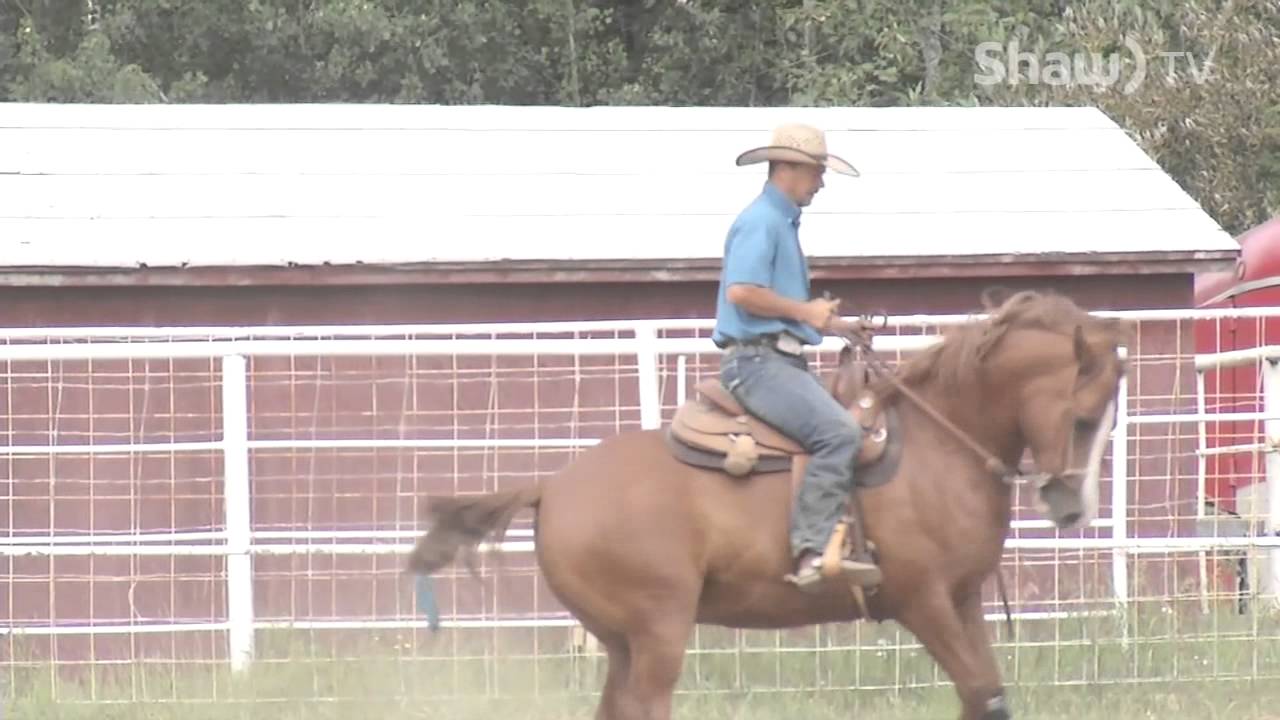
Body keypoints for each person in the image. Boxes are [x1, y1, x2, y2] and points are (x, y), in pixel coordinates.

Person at [712, 122, 882, 591]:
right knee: (839, 431)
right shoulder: (761, 222)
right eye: (814, 172)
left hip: (779, 361)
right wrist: (807, 310)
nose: (821, 182)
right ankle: (811, 548)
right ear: (785, 168)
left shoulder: (780, 222)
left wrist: (838, 325)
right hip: (758, 365)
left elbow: (777, 307)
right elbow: (743, 292)